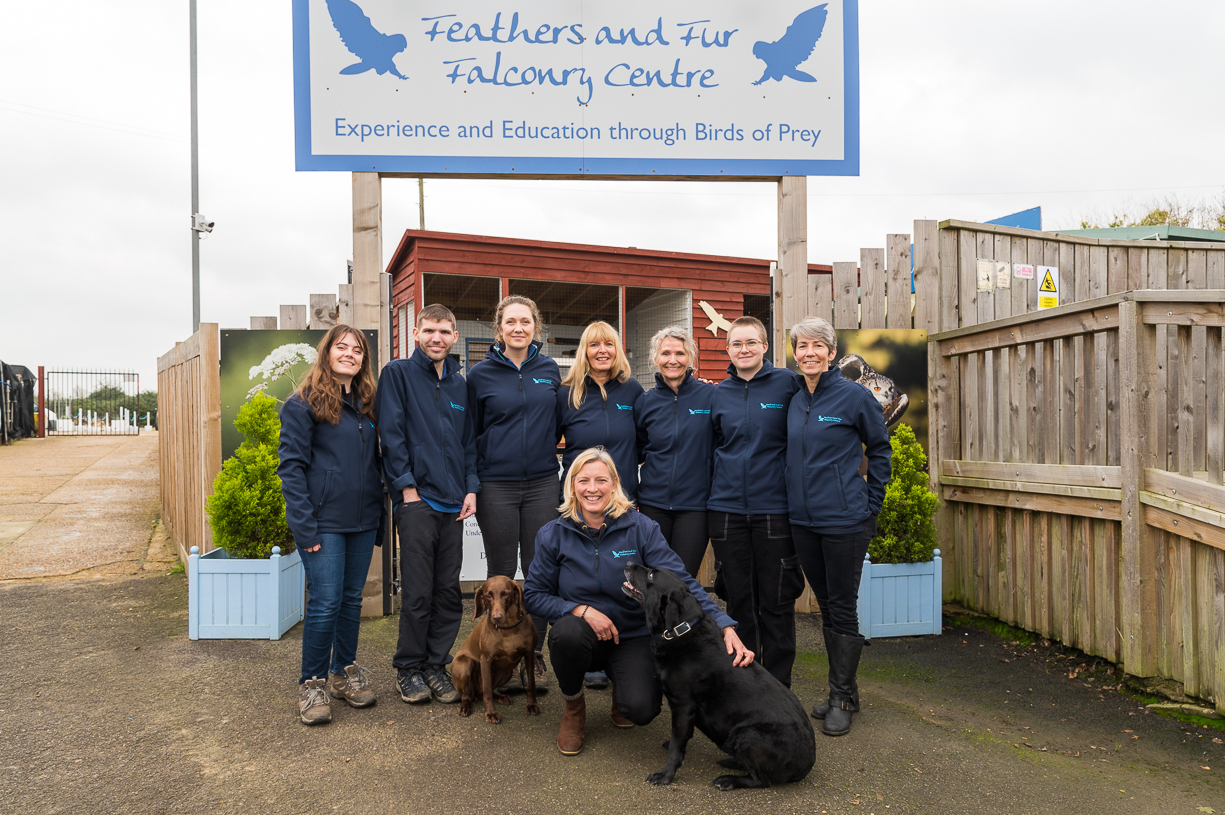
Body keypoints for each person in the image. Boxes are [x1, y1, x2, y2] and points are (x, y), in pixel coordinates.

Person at [524, 447, 752, 756]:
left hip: (632, 635)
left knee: (642, 711)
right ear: (572, 486)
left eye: (601, 480)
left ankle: (623, 691)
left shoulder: (641, 528)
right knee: (567, 634)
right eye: (584, 481)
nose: (592, 489)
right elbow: (534, 595)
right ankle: (574, 708)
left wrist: (724, 625)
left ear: (615, 483)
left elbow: (679, 582)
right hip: (582, 635)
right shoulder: (552, 534)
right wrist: (580, 609)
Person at [786, 316, 891, 737]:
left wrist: (872, 507)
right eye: (802, 346)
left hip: (846, 520)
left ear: (831, 353)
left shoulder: (854, 397)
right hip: (802, 521)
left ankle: (842, 696)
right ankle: (842, 689)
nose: (809, 353)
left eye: (818, 346)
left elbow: (880, 451)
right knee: (827, 604)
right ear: (795, 354)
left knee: (842, 606)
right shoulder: (793, 398)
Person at [278, 325, 385, 725]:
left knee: (351, 599)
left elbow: (375, 462)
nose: (350, 354)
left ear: (363, 361)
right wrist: (303, 527)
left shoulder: (367, 403)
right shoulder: (303, 404)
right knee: (325, 602)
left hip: (361, 521)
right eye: (342, 347)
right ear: (327, 353)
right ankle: (312, 683)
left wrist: (378, 517)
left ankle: (343, 672)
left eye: (357, 350)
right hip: (322, 523)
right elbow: (291, 470)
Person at [376, 303, 479, 706]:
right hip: (417, 499)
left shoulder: (460, 385)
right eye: (430, 330)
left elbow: (469, 442)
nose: (437, 338)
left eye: (444, 331)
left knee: (447, 590)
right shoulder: (397, 375)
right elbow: (392, 434)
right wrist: (406, 489)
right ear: (416, 333)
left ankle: (436, 665)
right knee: (418, 591)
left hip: (454, 503)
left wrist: (471, 489)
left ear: (455, 337)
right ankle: (409, 669)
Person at [467, 295, 559, 692]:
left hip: (541, 482)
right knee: (501, 573)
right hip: (497, 485)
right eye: (510, 322)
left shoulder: (550, 369)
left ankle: (532, 654)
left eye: (525, 322)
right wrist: (473, 483)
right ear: (499, 327)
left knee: (539, 571)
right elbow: (468, 435)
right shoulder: (480, 375)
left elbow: (560, 420)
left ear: (535, 327)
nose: (518, 328)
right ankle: (496, 653)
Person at [708, 315, 804, 688]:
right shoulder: (719, 394)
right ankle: (746, 687)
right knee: (739, 603)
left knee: (777, 603)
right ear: (728, 349)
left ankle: (779, 686)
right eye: (736, 344)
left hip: (775, 511)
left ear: (765, 346)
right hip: (727, 511)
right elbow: (714, 446)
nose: (744, 350)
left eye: (751, 343)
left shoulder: (788, 385)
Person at [557, 320, 645, 690]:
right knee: (583, 580)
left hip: (621, 501)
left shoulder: (633, 390)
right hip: (582, 501)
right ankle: (589, 659)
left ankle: (622, 656)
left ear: (617, 349)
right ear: (585, 351)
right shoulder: (567, 394)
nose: (602, 351)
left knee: (621, 579)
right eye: (594, 345)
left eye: (609, 344)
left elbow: (647, 439)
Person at [635, 325, 715, 578]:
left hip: (695, 507)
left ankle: (681, 620)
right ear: (656, 358)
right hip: (653, 505)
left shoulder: (711, 396)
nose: (673, 360)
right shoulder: (645, 402)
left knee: (682, 578)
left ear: (690, 357)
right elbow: (639, 448)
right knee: (652, 577)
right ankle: (653, 620)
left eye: (680, 353)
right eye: (666, 353)